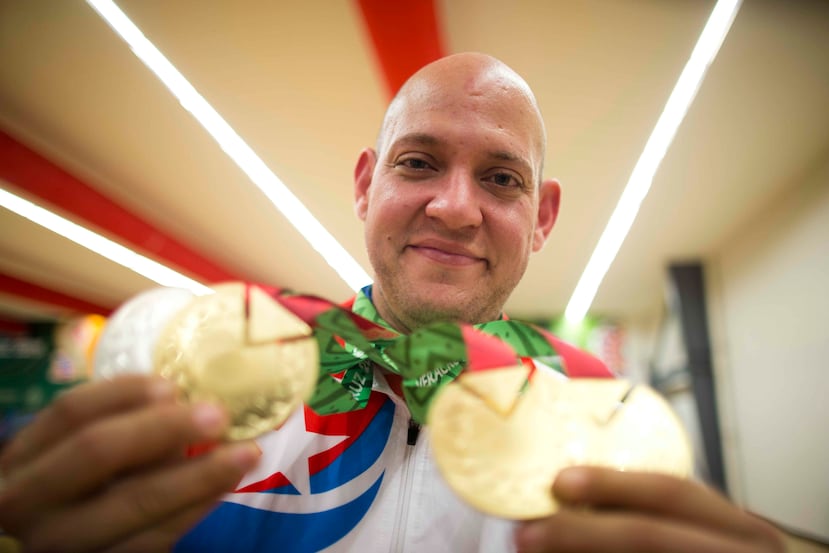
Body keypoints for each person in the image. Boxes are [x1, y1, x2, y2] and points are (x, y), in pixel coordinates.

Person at [0, 53, 785, 552]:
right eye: (419, 162)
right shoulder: (201, 373)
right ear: (364, 184)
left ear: (541, 217)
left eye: (500, 178)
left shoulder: (598, 411)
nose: (453, 206)